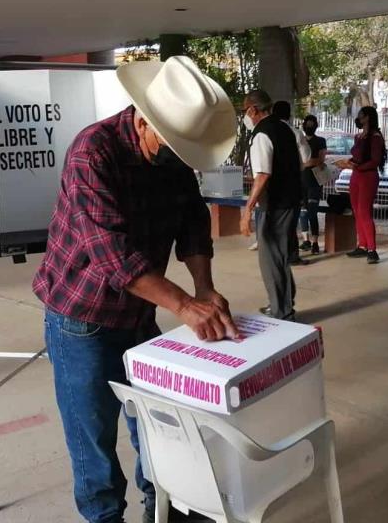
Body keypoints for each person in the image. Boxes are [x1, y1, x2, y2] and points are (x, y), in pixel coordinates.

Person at [31, 56, 238, 523]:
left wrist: (204, 288)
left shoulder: (174, 158)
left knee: (157, 426)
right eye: (171, 147)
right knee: (94, 439)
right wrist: (184, 305)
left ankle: (161, 510)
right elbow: (113, 256)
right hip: (81, 319)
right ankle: (105, 517)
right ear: (144, 121)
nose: (177, 160)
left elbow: (192, 224)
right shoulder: (93, 152)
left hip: (140, 313)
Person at [239, 90, 302, 320]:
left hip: (274, 205)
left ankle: (282, 313)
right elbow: (299, 164)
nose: (245, 115)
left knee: (271, 259)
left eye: (246, 109)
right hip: (291, 200)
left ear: (253, 110)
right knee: (280, 256)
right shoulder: (284, 128)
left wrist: (247, 210)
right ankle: (284, 303)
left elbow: (263, 175)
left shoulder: (261, 134)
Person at [340, 106, 386, 264]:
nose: (358, 118)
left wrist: (356, 166)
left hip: (368, 176)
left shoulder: (375, 137)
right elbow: (357, 157)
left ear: (368, 118)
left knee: (365, 211)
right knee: (356, 210)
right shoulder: (358, 137)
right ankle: (362, 245)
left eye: (360, 115)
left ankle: (372, 249)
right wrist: (348, 163)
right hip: (356, 176)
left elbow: (375, 160)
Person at [272, 100, 311, 265]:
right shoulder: (295, 133)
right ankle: (292, 255)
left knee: (275, 221)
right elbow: (306, 157)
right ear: (289, 114)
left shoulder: (267, 131)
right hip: (293, 183)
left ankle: (277, 255)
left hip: (272, 182)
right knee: (291, 221)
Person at [300, 114, 327, 255]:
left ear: (315, 125)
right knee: (302, 213)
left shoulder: (320, 141)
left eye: (311, 124)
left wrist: (303, 164)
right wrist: (308, 163)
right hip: (300, 182)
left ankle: (315, 242)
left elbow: (320, 160)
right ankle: (306, 240)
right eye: (307, 123)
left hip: (315, 183)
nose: (309, 126)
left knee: (312, 212)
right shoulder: (300, 140)